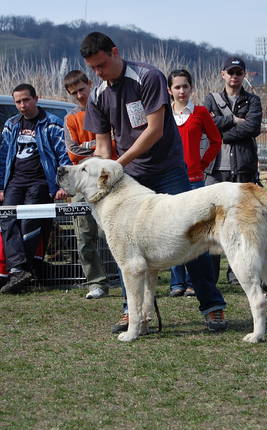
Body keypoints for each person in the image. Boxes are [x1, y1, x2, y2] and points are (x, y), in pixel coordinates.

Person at [80, 31, 227, 333]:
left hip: (167, 169)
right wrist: (101, 175)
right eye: (93, 69)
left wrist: (116, 166)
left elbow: (154, 130)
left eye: (102, 65)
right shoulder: (97, 96)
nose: (98, 73)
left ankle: (212, 306)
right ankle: (131, 313)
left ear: (115, 52)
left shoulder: (148, 77)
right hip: (128, 175)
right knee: (125, 245)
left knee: (191, 235)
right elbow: (103, 146)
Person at [0, 83, 71, 294]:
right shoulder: (11, 124)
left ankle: (22, 270)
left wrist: (62, 185)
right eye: (18, 101)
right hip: (15, 182)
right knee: (7, 220)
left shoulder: (52, 124)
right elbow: (3, 157)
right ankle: (19, 270)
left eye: (26, 100)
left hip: (40, 182)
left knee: (29, 223)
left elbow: (63, 156)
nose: (22, 105)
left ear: (36, 98)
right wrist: (1, 186)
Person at [204, 57, 261, 285]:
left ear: (244, 75)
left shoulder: (253, 100)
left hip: (243, 168)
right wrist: (233, 120)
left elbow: (253, 127)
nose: (234, 76)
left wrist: (223, 133)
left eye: (239, 72)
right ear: (223, 74)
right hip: (215, 169)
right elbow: (207, 125)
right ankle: (211, 276)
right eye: (231, 72)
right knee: (211, 224)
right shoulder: (211, 99)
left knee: (241, 224)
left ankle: (237, 273)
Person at [167, 68, 222, 297]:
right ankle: (176, 282)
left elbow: (216, 140)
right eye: (177, 87)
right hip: (169, 181)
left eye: (185, 86)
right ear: (169, 90)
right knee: (171, 232)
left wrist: (202, 163)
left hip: (194, 181)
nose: (181, 91)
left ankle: (194, 281)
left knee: (196, 233)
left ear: (192, 88)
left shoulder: (200, 112)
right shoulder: (162, 114)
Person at [63, 69, 115, 300]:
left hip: (106, 180)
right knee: (84, 235)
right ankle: (96, 282)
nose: (79, 96)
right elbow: (73, 152)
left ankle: (125, 275)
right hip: (81, 184)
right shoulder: (70, 119)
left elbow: (113, 142)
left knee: (114, 231)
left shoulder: (105, 110)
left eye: (82, 90)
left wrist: (90, 146)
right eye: (74, 93)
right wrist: (97, 145)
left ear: (90, 85)